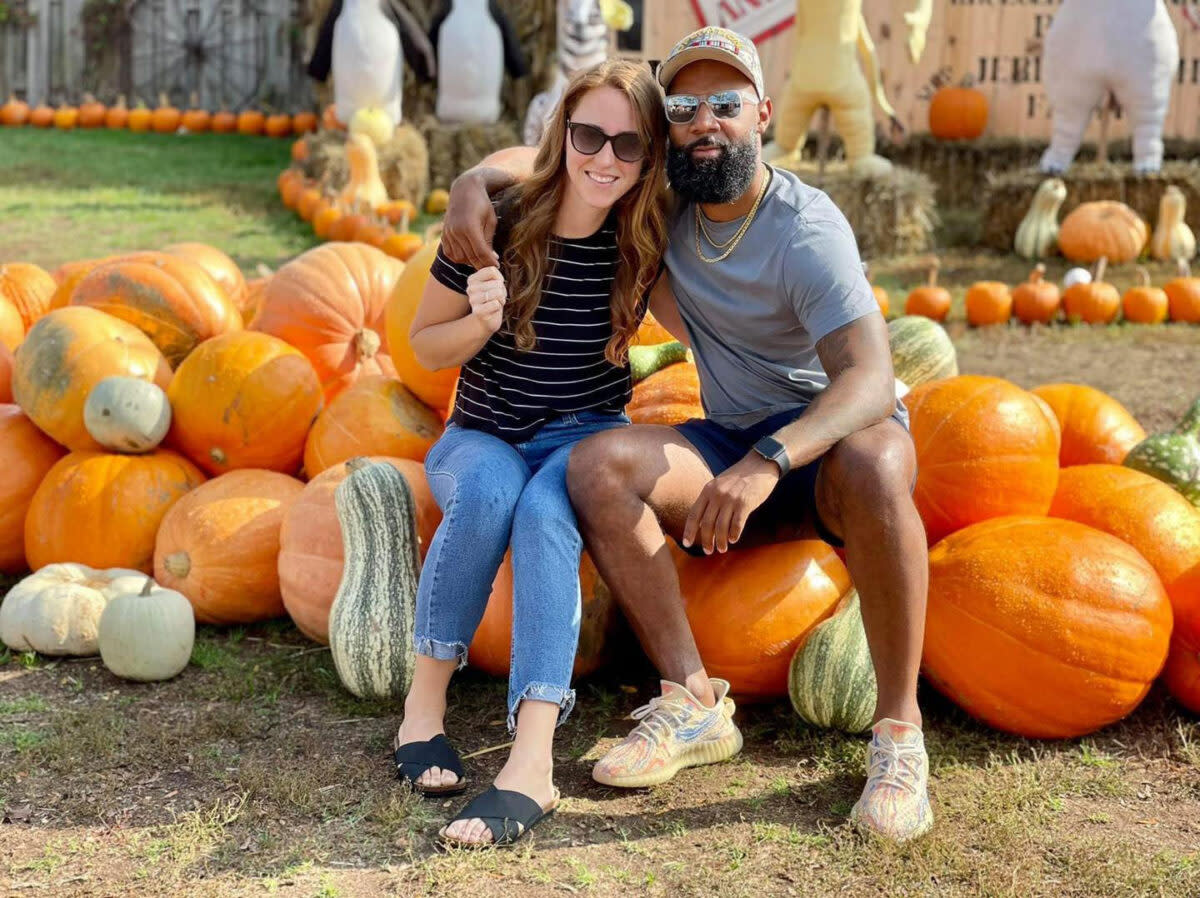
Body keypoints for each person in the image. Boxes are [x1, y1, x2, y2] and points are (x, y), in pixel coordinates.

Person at [439, 27, 933, 844]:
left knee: (881, 458)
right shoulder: (661, 207)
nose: (707, 122)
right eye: (686, 106)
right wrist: (467, 184)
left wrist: (768, 463)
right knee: (598, 465)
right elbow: (550, 163)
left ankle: (899, 735)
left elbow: (872, 382)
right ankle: (694, 701)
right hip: (730, 434)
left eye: (726, 105)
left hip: (823, 449)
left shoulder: (806, 229)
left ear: (763, 114)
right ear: (666, 128)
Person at [393, 57, 669, 847]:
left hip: (578, 442)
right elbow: (424, 344)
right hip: (478, 436)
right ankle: (423, 710)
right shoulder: (497, 223)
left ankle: (533, 765)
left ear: (648, 157)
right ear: (563, 132)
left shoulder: (642, 240)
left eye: (628, 143)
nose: (604, 158)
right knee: (489, 495)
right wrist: (480, 320)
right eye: (589, 134)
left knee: (548, 511)